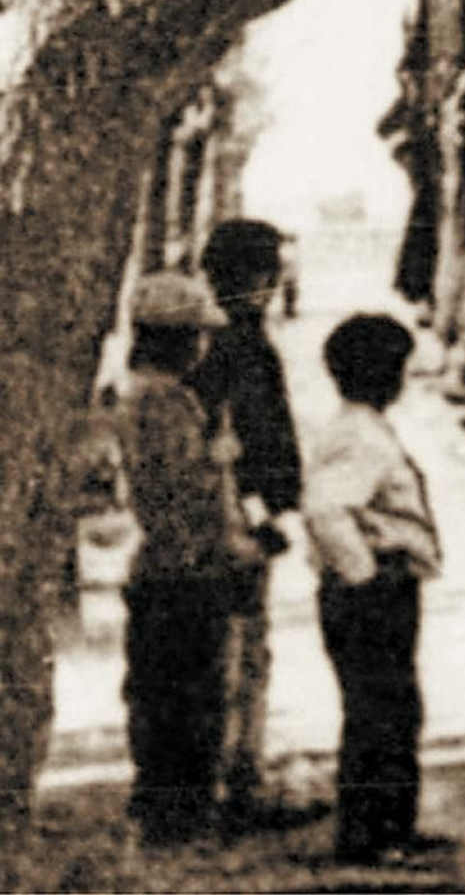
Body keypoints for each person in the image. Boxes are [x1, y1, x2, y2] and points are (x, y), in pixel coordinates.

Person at [303, 315, 447, 866]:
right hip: (373, 588)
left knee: (392, 706)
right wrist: (362, 573)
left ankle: (392, 825)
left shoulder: (360, 428)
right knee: (379, 708)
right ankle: (372, 835)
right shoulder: (359, 437)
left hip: (380, 584)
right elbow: (326, 508)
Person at [114, 271, 238, 847]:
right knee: (186, 695)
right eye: (195, 335)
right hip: (182, 568)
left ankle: (169, 807)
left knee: (160, 691)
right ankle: (179, 815)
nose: (203, 345)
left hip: (162, 566)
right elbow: (179, 489)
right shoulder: (163, 400)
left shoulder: (138, 393)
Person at [193, 218, 302, 827]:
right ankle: (238, 782)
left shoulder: (211, 342)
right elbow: (253, 442)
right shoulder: (242, 347)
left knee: (226, 647)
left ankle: (229, 776)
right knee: (240, 647)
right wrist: (269, 514)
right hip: (239, 520)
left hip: (223, 515)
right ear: (259, 278)